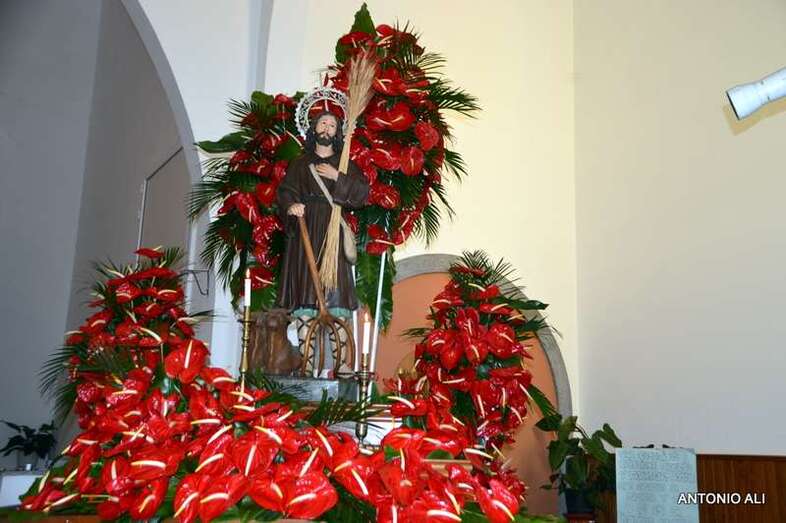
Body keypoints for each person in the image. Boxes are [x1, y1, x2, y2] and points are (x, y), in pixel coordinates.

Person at [275, 110, 369, 320]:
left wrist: (337, 176)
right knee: (306, 285)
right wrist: (291, 205)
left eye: (332, 125)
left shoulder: (344, 164)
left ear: (337, 133)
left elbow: (362, 193)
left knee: (336, 293)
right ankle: (306, 337)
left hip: (332, 227)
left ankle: (339, 333)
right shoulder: (300, 163)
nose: (327, 128)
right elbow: (285, 191)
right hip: (306, 227)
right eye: (323, 123)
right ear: (314, 127)